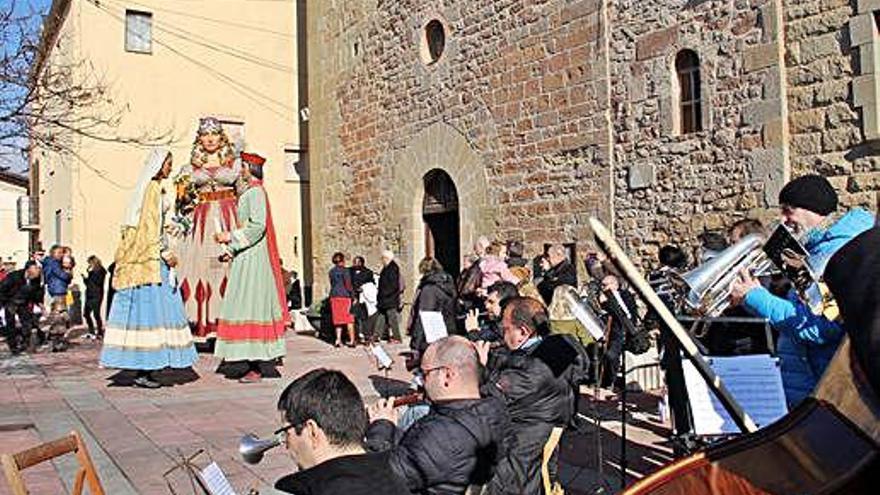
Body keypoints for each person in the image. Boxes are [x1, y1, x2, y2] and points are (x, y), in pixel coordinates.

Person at [730, 174, 874, 407]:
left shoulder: (832, 256)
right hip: (806, 383)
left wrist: (755, 297)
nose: (783, 219)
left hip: (822, 391)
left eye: (789, 210)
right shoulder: (813, 253)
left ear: (813, 210)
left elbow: (819, 326)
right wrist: (751, 295)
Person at [99, 148, 198, 389]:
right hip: (150, 262)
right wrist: (165, 252)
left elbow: (161, 225)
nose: (170, 168)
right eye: (168, 163)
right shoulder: (153, 189)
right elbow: (149, 228)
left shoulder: (154, 189)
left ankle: (148, 363)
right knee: (151, 314)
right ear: (158, 165)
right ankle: (146, 367)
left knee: (147, 315)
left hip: (148, 261)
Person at [366, 336, 508, 494]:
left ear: (448, 375)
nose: (421, 382)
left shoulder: (441, 435)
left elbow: (378, 478)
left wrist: (381, 428)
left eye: (425, 374)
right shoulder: (495, 408)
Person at [477, 297, 588, 495]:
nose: (502, 336)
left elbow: (488, 398)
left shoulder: (531, 373)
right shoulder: (555, 349)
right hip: (536, 451)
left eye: (506, 329)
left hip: (517, 463)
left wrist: (480, 368)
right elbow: (516, 363)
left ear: (522, 332)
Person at [214, 152, 290, 383]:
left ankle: (256, 365)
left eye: (243, 166)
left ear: (248, 168)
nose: (241, 170)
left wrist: (229, 237)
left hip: (254, 260)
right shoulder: (250, 192)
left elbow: (257, 226)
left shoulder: (256, 192)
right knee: (243, 306)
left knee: (251, 306)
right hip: (246, 256)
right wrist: (230, 251)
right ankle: (247, 360)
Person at [274, 369, 410, 495]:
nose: (286, 445)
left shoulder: (308, 488)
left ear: (312, 431)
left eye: (287, 432)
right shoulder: (399, 477)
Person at [175, 117, 241, 341]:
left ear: (221, 137)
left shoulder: (235, 164)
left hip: (229, 216)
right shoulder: (190, 167)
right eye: (205, 134)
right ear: (199, 139)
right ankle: (202, 324)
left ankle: (231, 324)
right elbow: (182, 202)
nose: (210, 139)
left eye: (214, 134)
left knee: (228, 269)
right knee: (199, 269)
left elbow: (245, 194)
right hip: (200, 221)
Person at [407, 258, 457, 365]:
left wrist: (415, 343)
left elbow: (424, 316)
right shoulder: (448, 284)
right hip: (448, 330)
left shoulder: (429, 289)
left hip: (431, 335)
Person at [0, 261, 43, 354]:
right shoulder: (14, 277)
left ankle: (26, 344)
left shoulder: (36, 278)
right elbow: (2, 289)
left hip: (23, 302)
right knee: (10, 325)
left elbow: (37, 292)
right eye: (35, 270)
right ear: (28, 270)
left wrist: (39, 303)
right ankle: (13, 347)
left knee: (27, 323)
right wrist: (5, 303)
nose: (37, 273)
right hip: (10, 301)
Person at [42, 244, 72, 351]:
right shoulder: (53, 263)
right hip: (58, 290)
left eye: (61, 253)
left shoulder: (51, 262)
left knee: (59, 315)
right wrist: (68, 272)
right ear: (53, 253)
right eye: (59, 253)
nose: (61, 255)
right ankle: (54, 340)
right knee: (59, 316)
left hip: (58, 289)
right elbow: (63, 276)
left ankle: (54, 339)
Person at [548, 285, 594, 349]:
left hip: (558, 348)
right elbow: (587, 340)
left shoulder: (550, 317)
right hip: (575, 349)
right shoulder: (576, 319)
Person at [329, 252, 356, 348]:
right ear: (342, 260)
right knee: (349, 319)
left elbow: (332, 284)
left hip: (334, 296)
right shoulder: (345, 271)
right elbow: (348, 284)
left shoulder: (331, 271)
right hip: (344, 296)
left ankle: (338, 340)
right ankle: (352, 340)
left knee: (338, 320)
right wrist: (353, 296)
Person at [376, 250, 403, 343]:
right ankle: (376, 335)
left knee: (392, 318)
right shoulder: (387, 268)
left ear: (387, 258)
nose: (382, 260)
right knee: (381, 317)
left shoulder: (392, 268)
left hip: (389, 298)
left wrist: (384, 294)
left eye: (383, 258)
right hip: (385, 298)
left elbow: (393, 285)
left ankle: (397, 337)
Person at [349, 256, 374, 340]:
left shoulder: (368, 272)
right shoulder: (349, 271)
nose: (355, 264)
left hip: (363, 298)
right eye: (354, 262)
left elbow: (371, 285)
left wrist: (364, 289)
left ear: (362, 263)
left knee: (364, 317)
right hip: (352, 297)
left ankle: (366, 335)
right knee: (353, 317)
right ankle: (355, 336)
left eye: (357, 262)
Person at [82, 255, 107, 339]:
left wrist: (90, 273)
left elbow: (98, 282)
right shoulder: (92, 272)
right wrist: (85, 278)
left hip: (97, 295)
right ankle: (91, 331)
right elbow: (88, 284)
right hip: (89, 294)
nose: (89, 265)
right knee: (86, 314)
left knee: (96, 314)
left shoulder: (101, 271)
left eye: (90, 263)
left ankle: (100, 332)